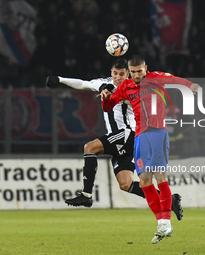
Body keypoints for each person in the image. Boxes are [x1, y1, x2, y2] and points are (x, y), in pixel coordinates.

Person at [45, 58, 183, 221]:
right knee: (125, 184)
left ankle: (86, 194)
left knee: (90, 148)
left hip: (128, 134)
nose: (118, 77)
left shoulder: (131, 88)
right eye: (115, 74)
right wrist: (60, 80)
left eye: (122, 74)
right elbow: (83, 84)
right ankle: (170, 200)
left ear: (128, 74)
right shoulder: (104, 83)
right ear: (111, 73)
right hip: (119, 140)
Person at [100, 55, 199, 244]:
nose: (137, 75)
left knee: (160, 177)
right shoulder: (125, 86)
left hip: (157, 133)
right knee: (145, 183)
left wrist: (191, 85)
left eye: (140, 71)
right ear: (130, 72)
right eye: (134, 72)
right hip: (140, 137)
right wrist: (105, 98)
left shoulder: (155, 78)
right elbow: (109, 106)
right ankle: (162, 224)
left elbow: (176, 80)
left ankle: (166, 222)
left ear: (146, 68)